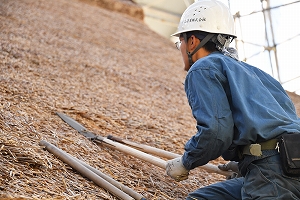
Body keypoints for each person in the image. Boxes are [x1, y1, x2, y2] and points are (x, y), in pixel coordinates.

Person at [165, 0, 300, 199]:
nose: (181, 48)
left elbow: (216, 132)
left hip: (272, 173)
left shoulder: (202, 68)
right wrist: (244, 158)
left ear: (192, 41)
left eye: (181, 42)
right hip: (288, 163)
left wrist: (187, 161)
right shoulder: (258, 74)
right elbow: (284, 123)